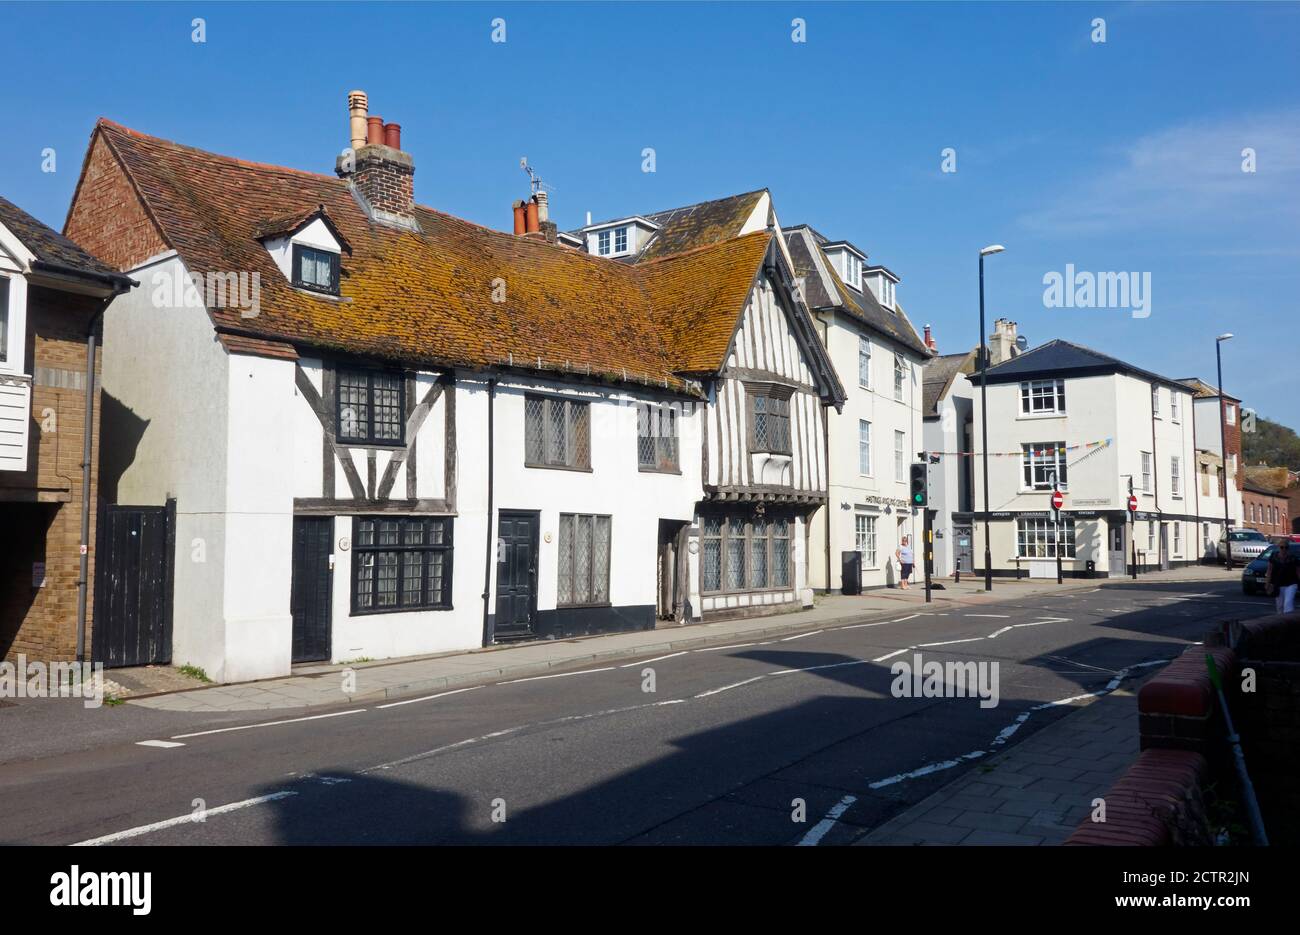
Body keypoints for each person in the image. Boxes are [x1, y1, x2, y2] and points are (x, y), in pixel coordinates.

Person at [1265, 539, 1298, 614]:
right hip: (1278, 584)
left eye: (1286, 547)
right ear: (1278, 547)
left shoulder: (1293, 558)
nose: (1284, 549)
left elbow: (1298, 571)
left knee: (1288, 604)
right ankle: (1281, 622)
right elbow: (1269, 570)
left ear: (1288, 548)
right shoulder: (1273, 557)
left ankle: (1289, 621)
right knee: (1280, 606)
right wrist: (1267, 583)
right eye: (1282, 547)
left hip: (1291, 584)